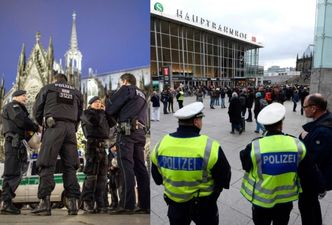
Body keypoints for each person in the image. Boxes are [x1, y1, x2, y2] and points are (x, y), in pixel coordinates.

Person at [240, 102, 322, 225]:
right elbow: (309, 171)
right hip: (285, 201)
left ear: (264, 126)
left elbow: (246, 165)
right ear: (281, 124)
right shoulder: (297, 144)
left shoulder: (254, 146)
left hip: (262, 202)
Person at [151, 102, 231, 225]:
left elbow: (157, 179)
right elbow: (224, 178)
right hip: (205, 206)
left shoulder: (160, 145)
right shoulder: (210, 146)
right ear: (196, 122)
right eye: (201, 119)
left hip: (174, 205)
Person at [32, 73, 83, 216]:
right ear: (66, 81)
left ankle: (44, 203)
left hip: (53, 126)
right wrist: (73, 127)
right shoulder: (76, 92)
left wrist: (42, 123)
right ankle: (73, 204)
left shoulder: (48, 88)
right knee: (70, 166)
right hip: (71, 129)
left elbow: (37, 110)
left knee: (46, 163)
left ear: (54, 80)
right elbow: (80, 113)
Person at [105, 73, 150, 214]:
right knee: (140, 168)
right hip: (140, 132)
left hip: (127, 132)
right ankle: (145, 204)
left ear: (125, 81)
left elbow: (110, 108)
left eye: (120, 83)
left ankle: (126, 205)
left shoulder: (126, 89)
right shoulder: (142, 93)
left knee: (125, 167)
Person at [0, 90, 39, 215]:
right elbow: (20, 120)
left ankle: (7, 202)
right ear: (15, 97)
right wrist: (35, 126)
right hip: (13, 143)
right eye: (23, 96)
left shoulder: (18, 108)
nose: (26, 98)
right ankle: (5, 203)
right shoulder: (13, 106)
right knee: (12, 172)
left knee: (17, 172)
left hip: (18, 144)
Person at [298, 93, 332, 225]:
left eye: (304, 106)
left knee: (308, 208)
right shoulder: (326, 120)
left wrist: (305, 138)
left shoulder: (322, 131)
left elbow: (312, 160)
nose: (303, 109)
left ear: (314, 108)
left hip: (313, 180)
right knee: (312, 206)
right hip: (318, 177)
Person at [80, 96, 110, 213]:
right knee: (91, 176)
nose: (98, 104)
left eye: (99, 102)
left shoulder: (102, 114)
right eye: (96, 102)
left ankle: (101, 203)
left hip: (103, 146)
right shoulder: (86, 113)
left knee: (102, 177)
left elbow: (111, 123)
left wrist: (106, 111)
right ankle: (87, 202)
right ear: (90, 104)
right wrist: (102, 113)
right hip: (92, 146)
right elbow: (95, 121)